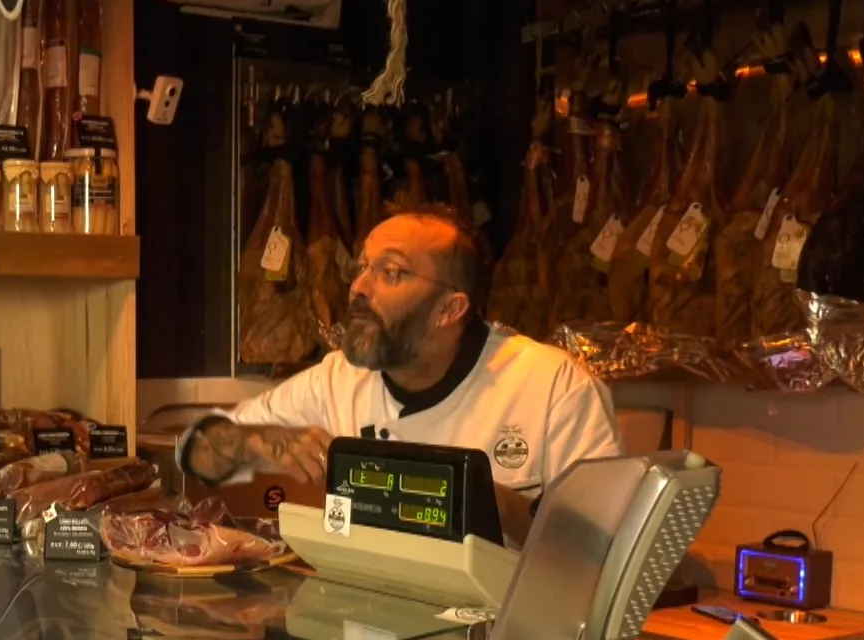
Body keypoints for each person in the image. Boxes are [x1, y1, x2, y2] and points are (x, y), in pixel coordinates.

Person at [181, 208, 624, 545]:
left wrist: (484, 499)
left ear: (450, 309)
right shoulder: (337, 379)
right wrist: (256, 441)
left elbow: (601, 549)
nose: (359, 288)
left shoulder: (553, 386)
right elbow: (194, 453)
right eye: (361, 269)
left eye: (390, 272)